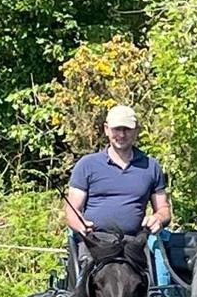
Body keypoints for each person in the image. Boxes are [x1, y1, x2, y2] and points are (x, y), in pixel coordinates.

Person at [63, 103, 171, 283]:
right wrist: (80, 224)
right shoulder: (87, 165)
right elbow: (71, 209)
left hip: (135, 243)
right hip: (96, 241)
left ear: (136, 131)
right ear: (106, 129)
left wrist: (158, 219)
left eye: (127, 129)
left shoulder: (150, 166)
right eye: (116, 129)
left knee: (158, 277)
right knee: (92, 281)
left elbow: (164, 209)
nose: (121, 135)